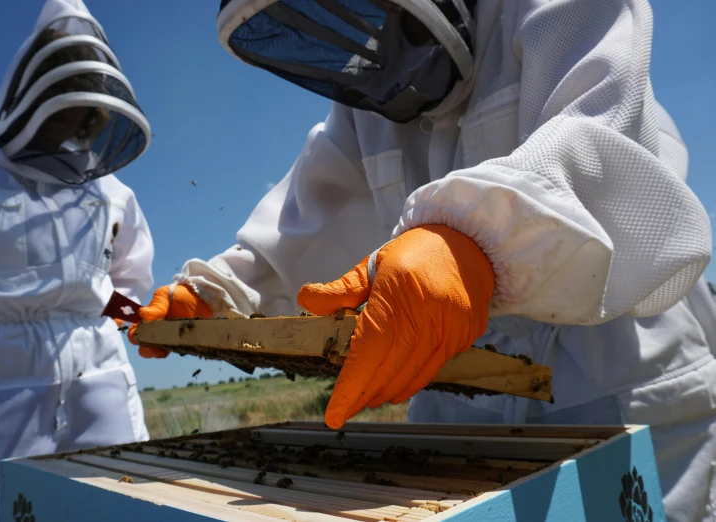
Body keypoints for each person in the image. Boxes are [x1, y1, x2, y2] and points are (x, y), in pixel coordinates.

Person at [130, 0, 715, 520]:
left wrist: (477, 240)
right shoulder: (364, 114)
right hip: (461, 404)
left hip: (616, 372)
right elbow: (307, 219)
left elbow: (598, 130)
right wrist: (225, 291)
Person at [0, 0, 154, 520]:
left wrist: (130, 313)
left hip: (97, 378)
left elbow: (129, 276)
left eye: (81, 115)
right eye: (60, 105)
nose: (68, 124)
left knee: (120, 504)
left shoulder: (112, 193)